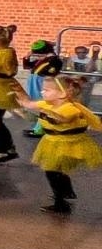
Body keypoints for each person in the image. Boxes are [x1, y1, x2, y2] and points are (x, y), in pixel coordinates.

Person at [14, 75, 102, 214]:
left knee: (53, 171)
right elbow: (28, 103)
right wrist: (17, 89)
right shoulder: (47, 104)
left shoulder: (71, 108)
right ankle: (65, 193)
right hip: (52, 142)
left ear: (62, 94)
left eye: (47, 90)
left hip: (68, 144)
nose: (43, 93)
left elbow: (60, 119)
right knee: (55, 170)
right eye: (43, 90)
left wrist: (39, 113)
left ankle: (61, 202)